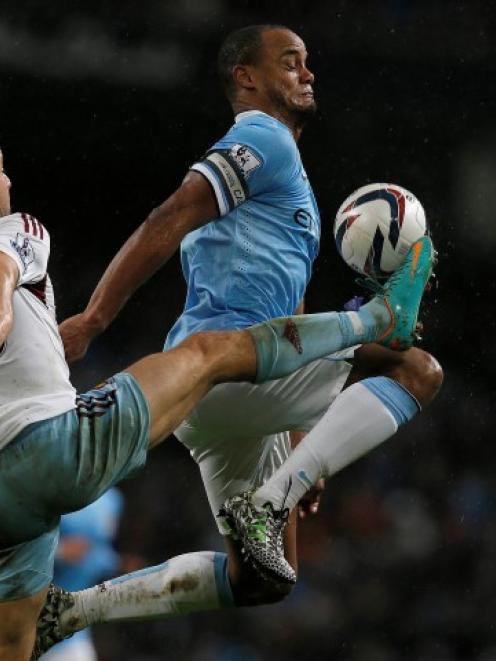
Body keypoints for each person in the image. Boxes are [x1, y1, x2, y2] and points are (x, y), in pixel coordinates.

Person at [31, 23, 441, 658]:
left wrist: (310, 443)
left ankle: (73, 610)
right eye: (290, 62)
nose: (307, 73)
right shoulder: (261, 136)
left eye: (308, 63)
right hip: (224, 362)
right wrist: (94, 318)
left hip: (234, 398)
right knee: (417, 369)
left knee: (263, 579)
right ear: (247, 78)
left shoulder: (292, 187)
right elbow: (169, 215)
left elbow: (296, 313)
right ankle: (272, 500)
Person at [41, 489, 124, 661]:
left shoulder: (113, 500)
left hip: (73, 630)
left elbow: (99, 548)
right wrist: (61, 552)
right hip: (27, 614)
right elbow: (18, 548)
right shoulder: (48, 487)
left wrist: (117, 564)